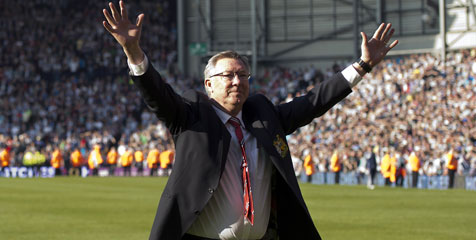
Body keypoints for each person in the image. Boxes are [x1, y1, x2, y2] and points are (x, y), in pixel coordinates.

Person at [102, 1, 398, 239]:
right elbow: (156, 93)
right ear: (209, 84)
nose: (237, 81)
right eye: (228, 75)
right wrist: (133, 51)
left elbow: (314, 101)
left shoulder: (264, 117)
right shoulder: (190, 116)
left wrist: (362, 66)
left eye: (243, 75)